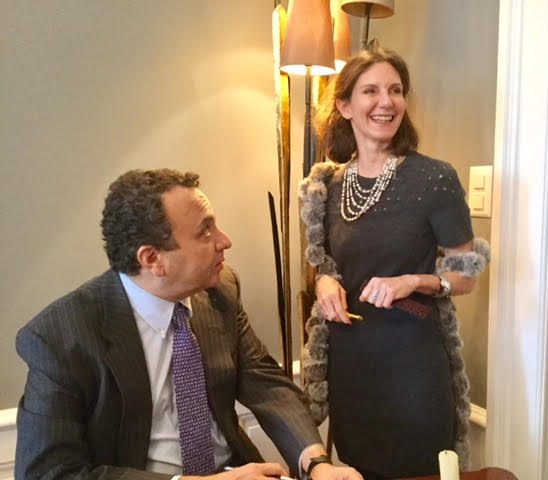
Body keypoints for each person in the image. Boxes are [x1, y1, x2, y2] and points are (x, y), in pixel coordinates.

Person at [15, 169, 363, 480]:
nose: (225, 241)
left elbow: (265, 382)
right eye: (205, 231)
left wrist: (316, 463)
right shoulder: (61, 337)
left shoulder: (221, 291)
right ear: (153, 259)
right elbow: (47, 473)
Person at [298, 47, 490, 479]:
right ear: (344, 105)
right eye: (370, 91)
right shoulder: (329, 185)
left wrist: (413, 281)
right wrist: (325, 281)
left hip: (412, 367)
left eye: (396, 90)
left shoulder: (433, 179)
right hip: (351, 365)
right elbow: (326, 262)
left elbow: (467, 273)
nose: (386, 102)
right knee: (358, 467)